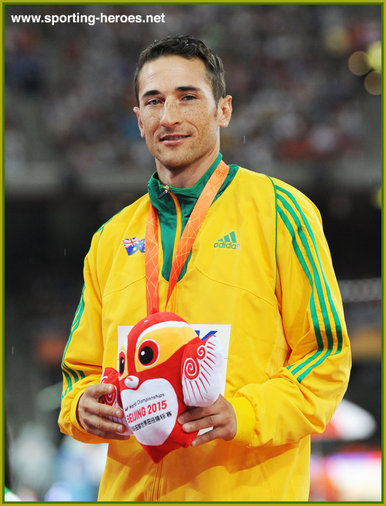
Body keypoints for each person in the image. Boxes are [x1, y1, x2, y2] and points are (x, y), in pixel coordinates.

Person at [58, 35, 351, 501]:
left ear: (224, 110)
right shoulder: (110, 239)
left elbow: (326, 358)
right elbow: (81, 374)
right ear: (138, 120)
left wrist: (244, 412)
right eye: (153, 101)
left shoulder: (281, 212)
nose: (169, 116)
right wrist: (81, 408)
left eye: (187, 97)